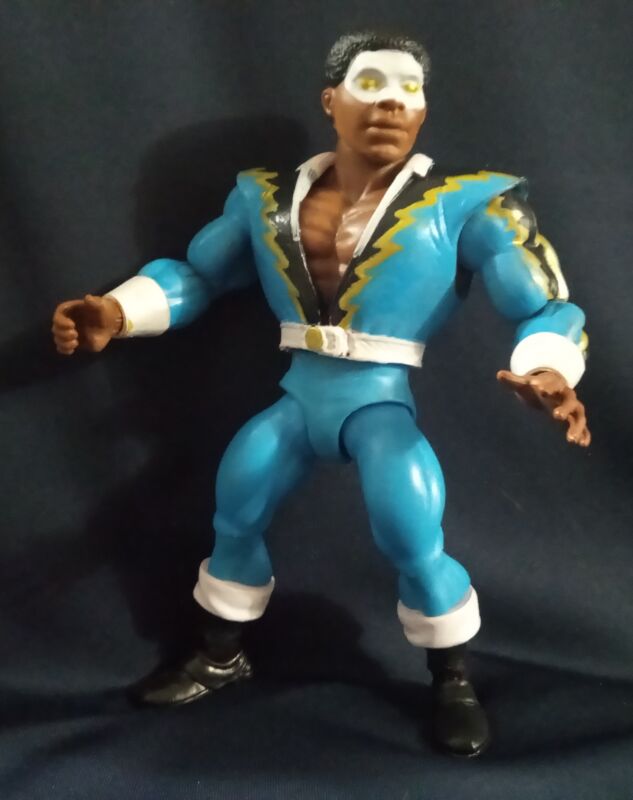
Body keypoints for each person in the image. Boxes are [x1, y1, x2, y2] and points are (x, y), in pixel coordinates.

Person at [51, 31, 590, 757]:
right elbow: (200, 274)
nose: (391, 103)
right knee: (236, 506)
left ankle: (452, 679)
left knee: (409, 533)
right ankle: (220, 655)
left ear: (424, 110)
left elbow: (543, 301)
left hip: (379, 402)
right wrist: (117, 312)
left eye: (409, 89)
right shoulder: (265, 199)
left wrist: (550, 367)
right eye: (372, 84)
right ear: (330, 101)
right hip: (300, 396)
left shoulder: (467, 205)